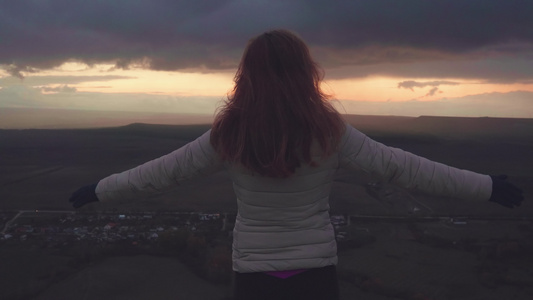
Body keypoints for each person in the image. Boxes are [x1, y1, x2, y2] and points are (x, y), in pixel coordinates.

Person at [69, 29, 524, 300]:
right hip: (315, 277)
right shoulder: (328, 131)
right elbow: (405, 168)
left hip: (253, 279)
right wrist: (484, 186)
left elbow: (158, 173)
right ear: (307, 73)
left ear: (245, 76)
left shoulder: (229, 133)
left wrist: (99, 190)